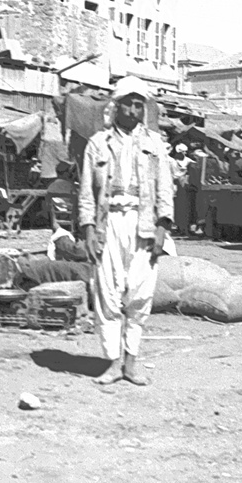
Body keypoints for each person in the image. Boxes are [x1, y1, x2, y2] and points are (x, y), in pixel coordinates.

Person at [79, 76, 174, 386]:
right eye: (130, 104)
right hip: (109, 224)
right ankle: (111, 363)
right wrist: (89, 230)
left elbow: (165, 191)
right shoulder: (97, 144)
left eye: (139, 105)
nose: (135, 110)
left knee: (140, 293)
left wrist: (162, 228)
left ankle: (131, 364)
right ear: (116, 106)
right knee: (106, 293)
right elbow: (86, 194)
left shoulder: (154, 144)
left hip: (142, 223)